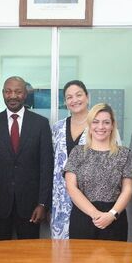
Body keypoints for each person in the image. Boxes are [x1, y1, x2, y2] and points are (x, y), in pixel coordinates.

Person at [0, 76, 53, 240]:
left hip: (31, 206)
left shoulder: (40, 124)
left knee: (28, 257)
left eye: (18, 92)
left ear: (25, 94)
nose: (13, 96)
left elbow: (46, 166)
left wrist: (43, 203)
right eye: (8, 91)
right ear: (3, 93)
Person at [64, 103, 132, 240]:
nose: (101, 127)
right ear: (90, 126)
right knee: (81, 261)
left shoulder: (124, 153)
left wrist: (111, 214)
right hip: (83, 217)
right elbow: (71, 187)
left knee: (114, 261)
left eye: (106, 122)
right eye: (96, 122)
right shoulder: (77, 152)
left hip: (114, 218)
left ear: (112, 126)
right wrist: (95, 214)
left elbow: (127, 189)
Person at [50, 80, 89, 239]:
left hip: (90, 197)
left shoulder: (100, 125)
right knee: (62, 251)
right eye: (69, 97)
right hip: (61, 199)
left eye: (79, 95)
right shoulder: (57, 128)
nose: (75, 100)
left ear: (87, 97)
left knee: (87, 250)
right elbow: (51, 162)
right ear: (65, 102)